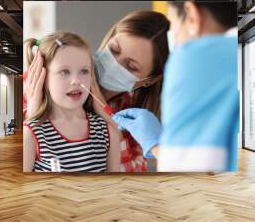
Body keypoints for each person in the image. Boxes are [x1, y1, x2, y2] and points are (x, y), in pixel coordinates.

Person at [24, 11, 170, 172]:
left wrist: (111, 128)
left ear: (149, 80)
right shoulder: (33, 84)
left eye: (131, 67)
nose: (114, 64)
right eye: (114, 49)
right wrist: (34, 115)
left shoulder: (133, 123)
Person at [113, 0, 239, 172]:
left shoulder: (195, 57)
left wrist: (157, 145)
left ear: (192, 15)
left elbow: (186, 172)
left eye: (173, 27)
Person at [23, 31, 120, 172]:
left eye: (84, 71)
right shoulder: (31, 133)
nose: (76, 81)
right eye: (64, 72)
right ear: (43, 78)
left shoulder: (107, 131)